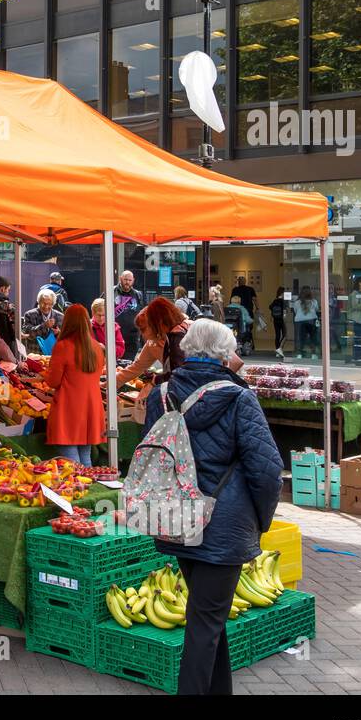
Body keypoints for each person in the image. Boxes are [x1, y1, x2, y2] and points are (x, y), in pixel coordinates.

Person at [142, 320, 282, 695]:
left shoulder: (162, 394)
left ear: (188, 347)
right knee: (205, 623)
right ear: (225, 352)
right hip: (224, 524)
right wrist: (261, 520)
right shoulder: (239, 398)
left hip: (178, 517)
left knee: (209, 618)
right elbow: (267, 472)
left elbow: (151, 457)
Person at [44, 304, 105, 466]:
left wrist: (44, 373)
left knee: (72, 465)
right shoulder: (97, 348)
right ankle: (92, 490)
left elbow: (53, 381)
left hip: (68, 410)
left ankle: (82, 490)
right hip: (91, 409)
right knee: (85, 458)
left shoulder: (63, 346)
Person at [116, 297, 210, 386]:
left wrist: (154, 382)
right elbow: (136, 367)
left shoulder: (188, 331)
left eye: (143, 329)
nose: (142, 334)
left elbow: (181, 374)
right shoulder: (152, 344)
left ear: (155, 324)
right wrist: (110, 384)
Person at [112, 270, 147, 356]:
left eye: (129, 280)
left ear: (133, 280)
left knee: (129, 364)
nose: (127, 282)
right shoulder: (111, 292)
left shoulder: (138, 295)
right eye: (125, 279)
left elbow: (143, 314)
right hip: (115, 336)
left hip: (132, 337)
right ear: (120, 279)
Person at [22, 290, 64, 354]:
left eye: (49, 304)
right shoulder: (29, 314)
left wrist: (58, 333)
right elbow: (28, 334)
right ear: (38, 302)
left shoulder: (60, 316)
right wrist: (44, 326)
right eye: (43, 303)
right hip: (35, 355)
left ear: (53, 304)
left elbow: (65, 338)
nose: (46, 307)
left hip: (53, 355)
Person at [230, 276, 259, 349]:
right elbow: (255, 299)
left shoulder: (235, 290)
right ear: (245, 281)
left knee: (237, 327)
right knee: (248, 328)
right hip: (248, 311)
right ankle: (249, 344)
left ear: (238, 282)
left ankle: (244, 343)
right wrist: (257, 308)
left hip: (236, 312)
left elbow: (232, 300)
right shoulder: (250, 289)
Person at [291, 287, 320, 359]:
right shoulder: (314, 301)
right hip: (311, 320)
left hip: (300, 321)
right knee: (312, 337)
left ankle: (300, 353)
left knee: (301, 338)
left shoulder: (297, 302)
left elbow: (295, 311)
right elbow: (317, 310)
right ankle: (313, 354)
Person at [268, 287, 288, 360]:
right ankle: (280, 349)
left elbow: (270, 307)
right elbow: (285, 311)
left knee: (277, 335)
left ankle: (277, 351)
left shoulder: (275, 301)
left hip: (275, 319)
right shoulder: (283, 301)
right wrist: (285, 318)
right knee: (285, 334)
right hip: (282, 319)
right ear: (282, 293)